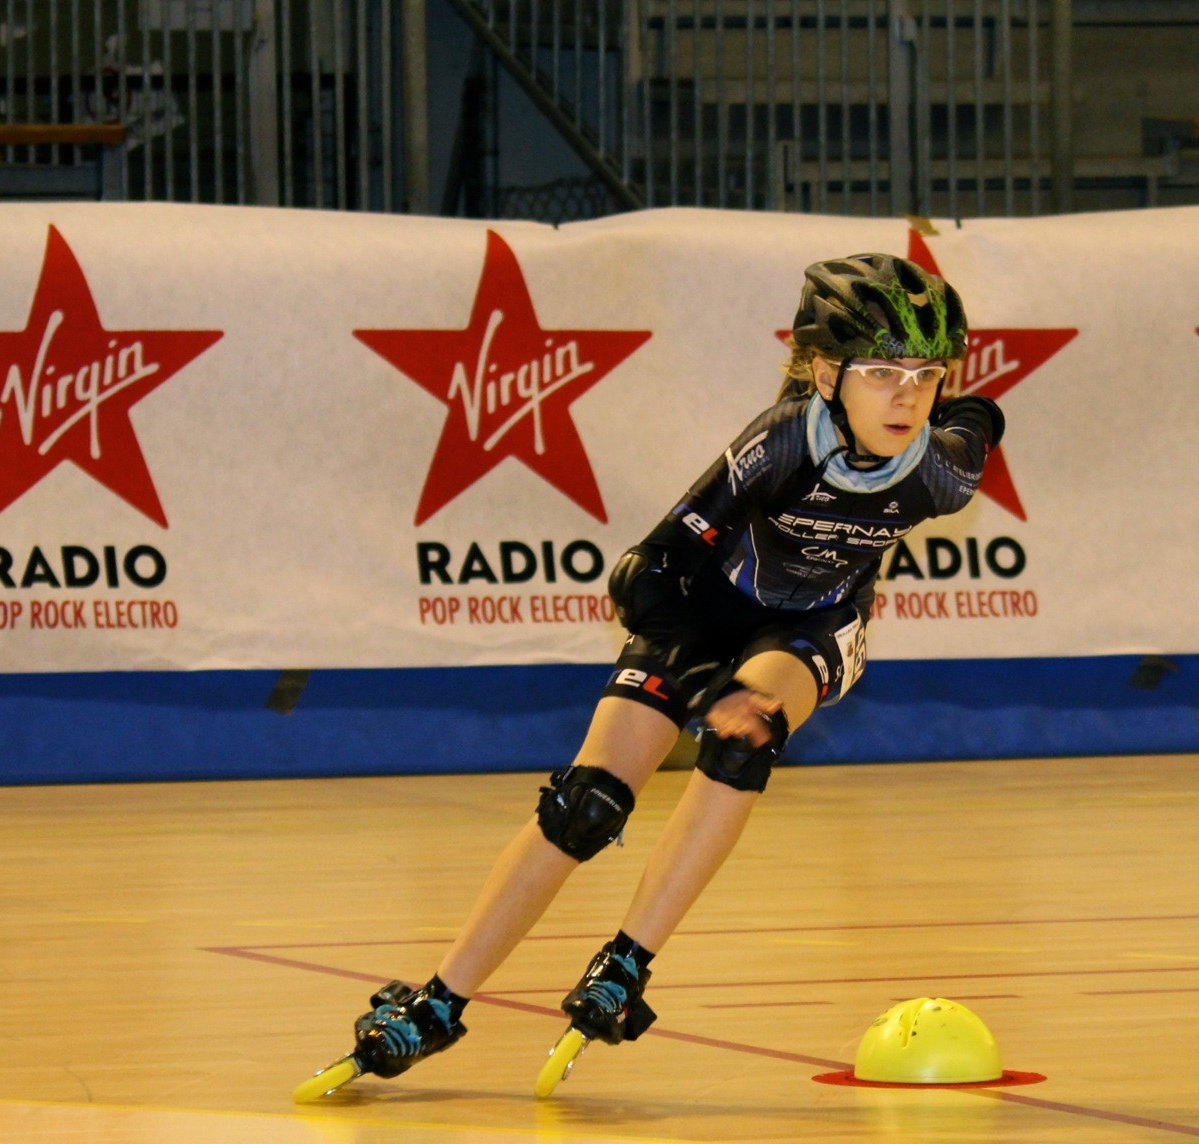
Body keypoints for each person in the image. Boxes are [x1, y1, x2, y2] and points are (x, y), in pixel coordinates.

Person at [329, 252, 1005, 1087]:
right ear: (825, 372)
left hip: (817, 621)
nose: (906, 396)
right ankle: (439, 1000)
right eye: (879, 373)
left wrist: (732, 700)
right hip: (702, 604)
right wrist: (698, 682)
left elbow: (980, 419)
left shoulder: (943, 470)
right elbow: (649, 571)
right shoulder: (783, 439)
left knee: (746, 734)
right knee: (587, 804)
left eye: (923, 374)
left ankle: (627, 961)